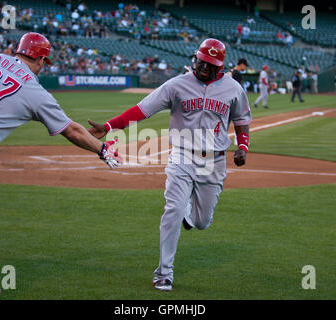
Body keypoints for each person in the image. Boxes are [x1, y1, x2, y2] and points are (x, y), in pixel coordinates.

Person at [0, 32, 121, 300]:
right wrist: (102, 149)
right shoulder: (35, 91)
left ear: (17, 50)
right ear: (43, 61)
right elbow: (72, 131)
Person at [87, 38, 252, 291]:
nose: (203, 67)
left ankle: (190, 215)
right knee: (172, 210)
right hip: (182, 155)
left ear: (220, 67)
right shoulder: (177, 84)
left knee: (202, 221)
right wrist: (109, 126)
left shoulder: (232, 88)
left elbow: (241, 119)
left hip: (214, 160)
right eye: (201, 61)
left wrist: (242, 147)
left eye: (209, 65)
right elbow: (143, 110)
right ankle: (164, 273)